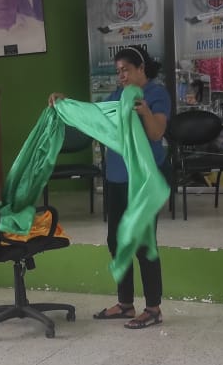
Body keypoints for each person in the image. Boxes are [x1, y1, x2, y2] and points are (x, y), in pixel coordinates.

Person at [48, 45, 171, 330]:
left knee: (143, 243)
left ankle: (153, 308)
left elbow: (157, 133)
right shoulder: (116, 96)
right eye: (118, 72)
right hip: (116, 178)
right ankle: (126, 303)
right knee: (116, 241)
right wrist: (66, 105)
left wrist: (145, 111)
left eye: (126, 70)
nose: (122, 76)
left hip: (142, 181)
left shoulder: (156, 94)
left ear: (141, 69)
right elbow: (94, 116)